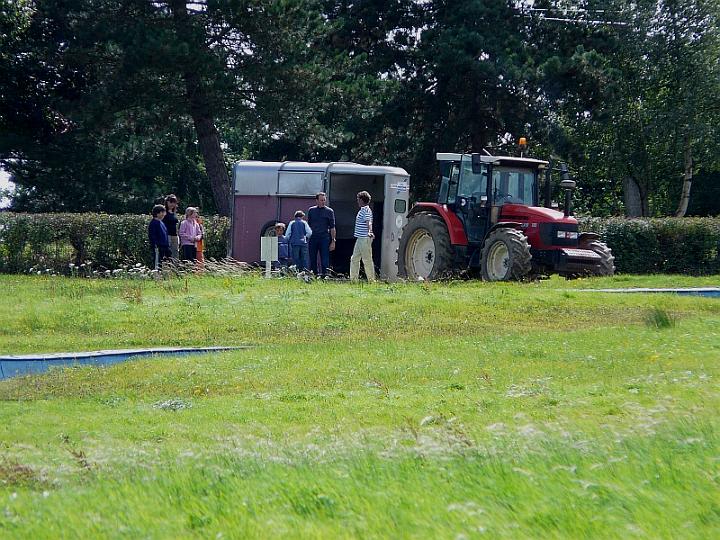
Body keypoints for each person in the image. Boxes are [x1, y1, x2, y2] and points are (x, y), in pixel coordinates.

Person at [307, 192, 336, 277]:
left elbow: (332, 227)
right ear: (317, 200)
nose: (323, 202)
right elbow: (309, 225)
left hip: (324, 238)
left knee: (325, 259)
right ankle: (313, 275)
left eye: (324, 200)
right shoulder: (311, 210)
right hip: (313, 237)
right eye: (321, 200)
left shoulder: (329, 211)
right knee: (312, 258)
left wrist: (333, 241)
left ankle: (325, 276)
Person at [350, 190, 375, 282]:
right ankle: (353, 279)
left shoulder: (366, 210)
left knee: (367, 259)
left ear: (361, 200)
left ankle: (371, 280)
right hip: (360, 238)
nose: (357, 201)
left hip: (364, 238)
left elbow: (368, 222)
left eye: (358, 199)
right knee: (354, 258)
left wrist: (370, 231)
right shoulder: (362, 210)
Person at [148, 204, 171, 270]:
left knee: (168, 262)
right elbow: (152, 236)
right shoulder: (153, 223)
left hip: (165, 246)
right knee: (158, 263)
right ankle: (157, 276)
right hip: (158, 246)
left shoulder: (162, 222)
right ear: (158, 213)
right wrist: (155, 245)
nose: (164, 214)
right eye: (163, 212)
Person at [163, 194, 180, 259]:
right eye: (171, 202)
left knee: (175, 252)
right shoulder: (164, 212)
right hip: (167, 235)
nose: (172, 204)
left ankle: (174, 267)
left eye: (174, 203)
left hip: (174, 235)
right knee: (167, 252)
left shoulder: (174, 213)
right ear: (167, 202)